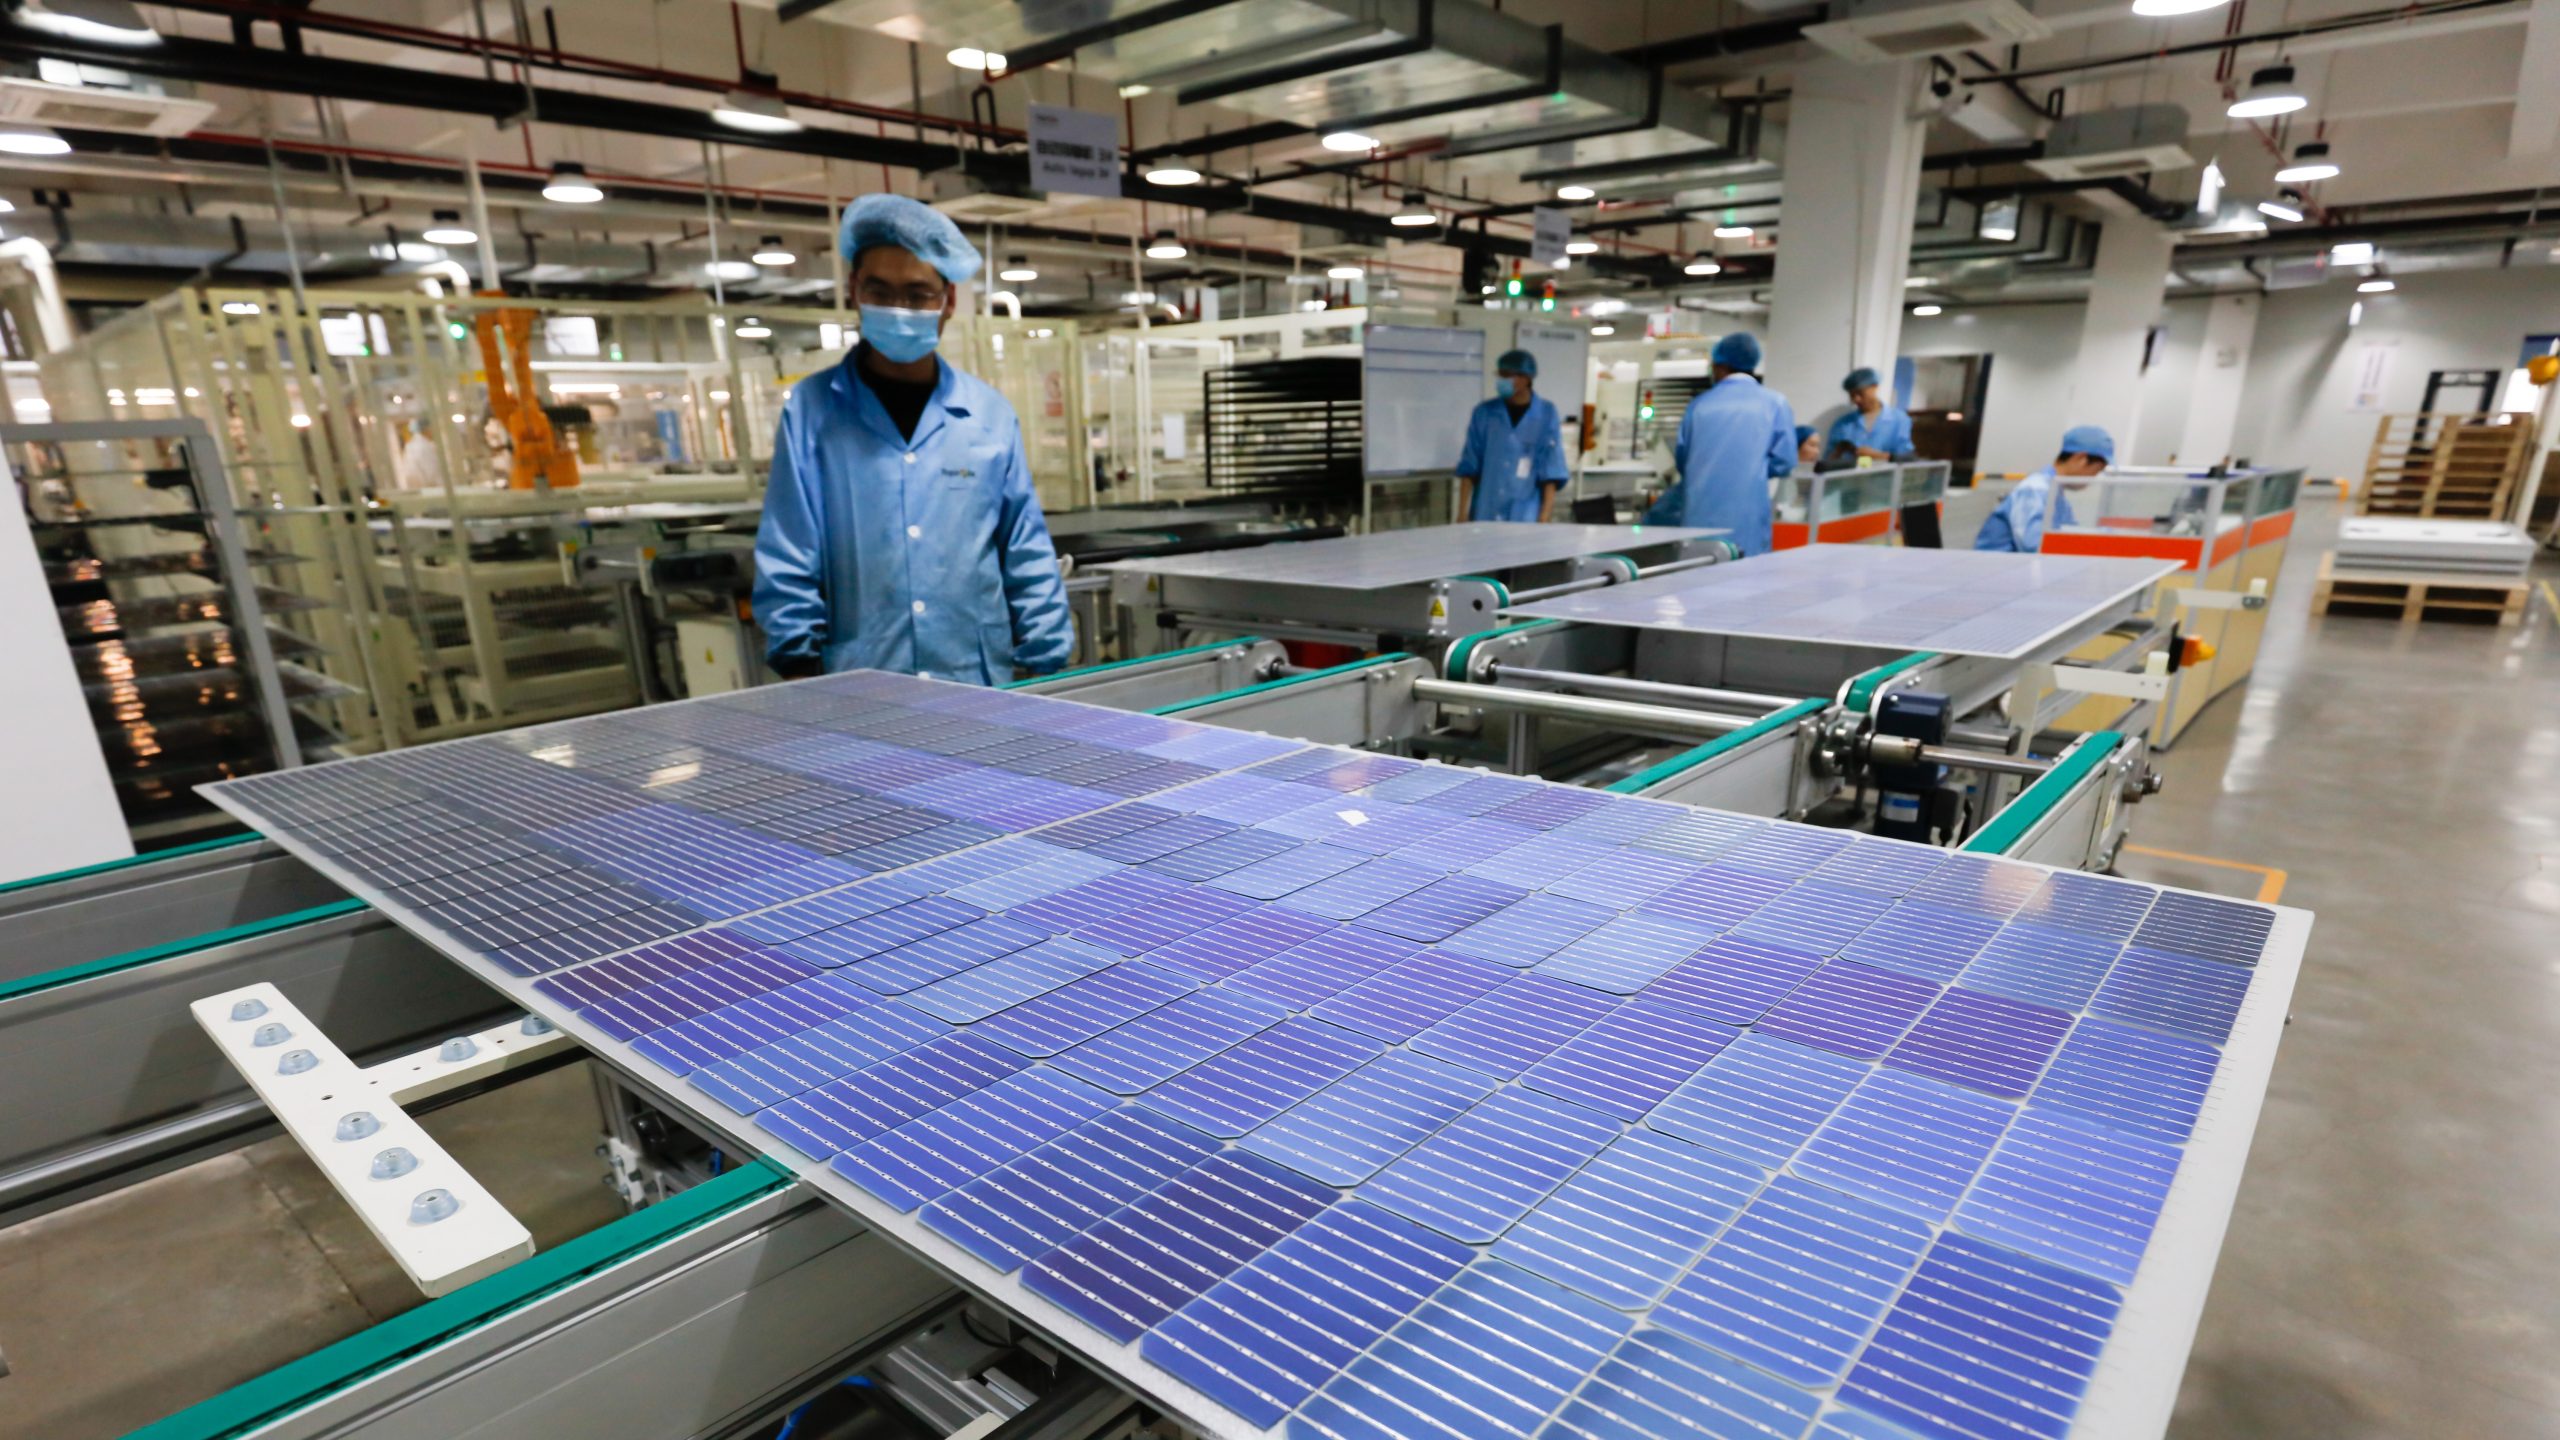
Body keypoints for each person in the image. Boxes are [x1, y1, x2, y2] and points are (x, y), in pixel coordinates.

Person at [753, 194, 1070, 684]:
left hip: (977, 679)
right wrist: (799, 660)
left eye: (918, 294)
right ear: (854, 290)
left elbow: (1024, 547)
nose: (900, 309)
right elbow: (790, 547)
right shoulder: (812, 413)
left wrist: (1044, 656)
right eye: (880, 290)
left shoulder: (988, 416)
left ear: (948, 303)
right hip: (862, 681)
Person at [1642, 333, 1795, 555]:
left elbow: (1684, 461)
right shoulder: (1774, 404)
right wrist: (1752, 471)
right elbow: (1784, 461)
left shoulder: (1699, 405)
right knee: (1747, 581)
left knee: (1697, 578)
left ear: (1720, 366)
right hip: (1747, 519)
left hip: (1698, 519)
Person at [1454, 349, 1571, 523]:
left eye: (1508, 375)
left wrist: (1544, 518)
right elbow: (1469, 466)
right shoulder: (1484, 413)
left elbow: (1551, 470)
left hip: (1526, 515)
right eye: (1501, 375)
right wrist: (1462, 514)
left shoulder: (1546, 414)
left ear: (1526, 378)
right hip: (1486, 511)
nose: (1502, 380)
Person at [1974, 423, 2112, 553]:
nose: (2094, 477)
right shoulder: (2035, 489)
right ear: (2081, 459)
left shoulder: (2056, 494)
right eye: (2096, 470)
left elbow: (2069, 532)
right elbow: (2033, 545)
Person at [1824, 366, 1915, 463]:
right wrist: (1838, 452)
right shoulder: (1842, 424)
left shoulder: (1900, 420)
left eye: (1860, 393)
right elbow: (1827, 461)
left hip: (1885, 476)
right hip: (1849, 477)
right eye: (1852, 395)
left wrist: (1877, 456)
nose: (1856, 399)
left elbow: (1907, 459)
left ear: (1875, 387)